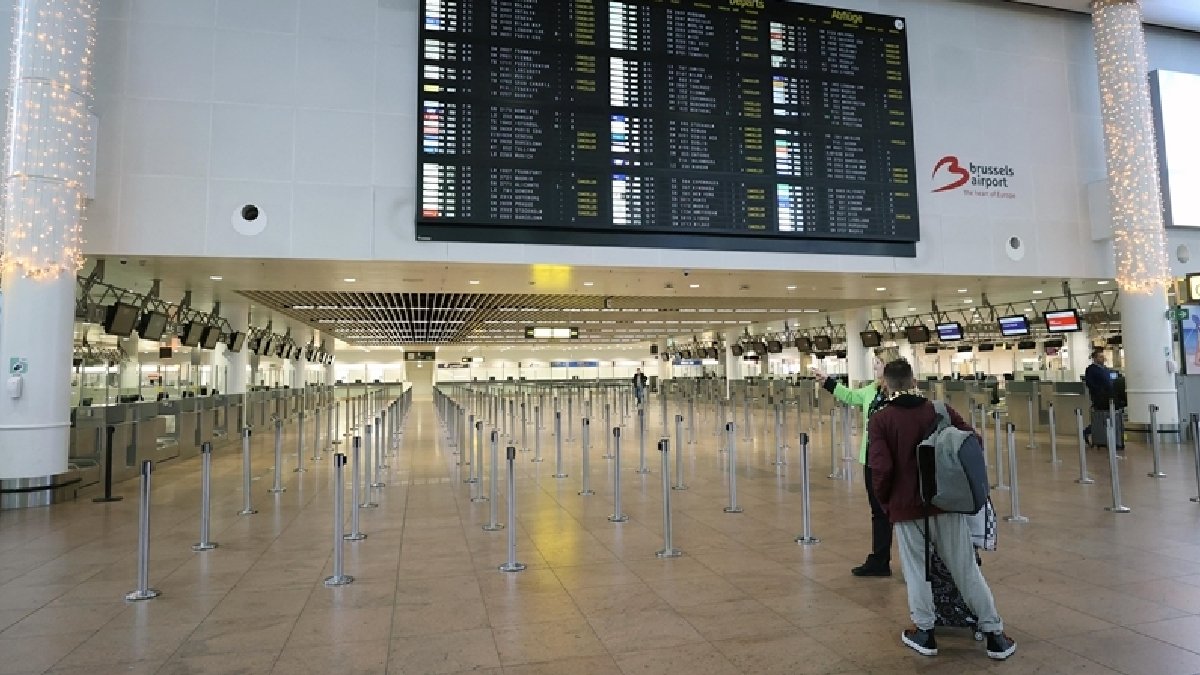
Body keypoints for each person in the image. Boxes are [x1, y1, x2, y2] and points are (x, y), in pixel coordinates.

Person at [868, 359, 1015, 661]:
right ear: (914, 380)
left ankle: (925, 633)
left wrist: (886, 502)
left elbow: (881, 468)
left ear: (886, 383)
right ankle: (995, 634)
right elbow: (973, 442)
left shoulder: (881, 419)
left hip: (907, 507)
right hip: (946, 503)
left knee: (916, 571)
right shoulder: (940, 410)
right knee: (965, 569)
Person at [811, 346, 898, 577]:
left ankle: (918, 560)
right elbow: (850, 396)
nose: (874, 366)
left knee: (904, 512)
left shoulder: (902, 392)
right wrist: (828, 382)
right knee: (879, 511)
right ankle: (880, 560)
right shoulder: (871, 390)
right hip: (872, 459)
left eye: (878, 362)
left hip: (896, 461)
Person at [1083, 347, 1122, 449]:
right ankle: (1088, 431)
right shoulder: (1091, 370)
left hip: (1110, 397)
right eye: (1100, 357)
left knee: (1108, 417)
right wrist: (1100, 391)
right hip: (1099, 398)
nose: (1103, 358)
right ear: (1095, 358)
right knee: (1100, 418)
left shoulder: (1105, 369)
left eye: (1103, 356)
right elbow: (1090, 384)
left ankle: (1107, 438)